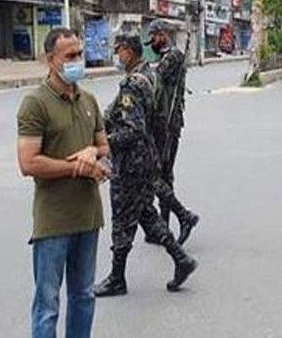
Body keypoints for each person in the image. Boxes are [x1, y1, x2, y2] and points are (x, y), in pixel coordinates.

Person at [16, 28, 111, 338]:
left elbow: (105, 150)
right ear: (50, 60)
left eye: (79, 54)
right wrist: (77, 168)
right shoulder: (36, 103)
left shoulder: (89, 100)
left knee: (84, 295)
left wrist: (93, 152)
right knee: (48, 304)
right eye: (70, 56)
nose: (77, 61)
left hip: (88, 217)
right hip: (54, 222)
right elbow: (28, 162)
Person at [94, 34, 198, 297]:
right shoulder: (148, 75)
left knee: (122, 219)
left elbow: (132, 129)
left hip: (131, 163)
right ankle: (181, 259)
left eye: (118, 51)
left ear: (129, 51)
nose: (117, 56)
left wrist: (103, 145)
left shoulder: (132, 84)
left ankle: (117, 279)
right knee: (146, 214)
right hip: (147, 158)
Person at [143, 19, 200, 245]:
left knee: (159, 173)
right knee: (162, 173)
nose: (153, 44)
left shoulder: (173, 57)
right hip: (164, 123)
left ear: (163, 35)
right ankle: (163, 226)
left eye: (155, 38)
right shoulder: (168, 56)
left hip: (167, 124)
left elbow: (158, 84)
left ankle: (182, 217)